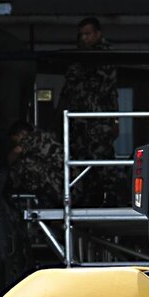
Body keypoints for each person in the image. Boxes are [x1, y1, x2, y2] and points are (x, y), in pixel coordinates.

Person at [59, 17, 124, 207]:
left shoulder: (103, 56)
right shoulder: (80, 56)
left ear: (98, 33)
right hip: (80, 122)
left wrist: (115, 121)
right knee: (81, 166)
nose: (84, 38)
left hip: (99, 121)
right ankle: (87, 202)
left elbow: (107, 90)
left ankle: (113, 202)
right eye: (81, 35)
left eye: (88, 34)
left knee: (103, 166)